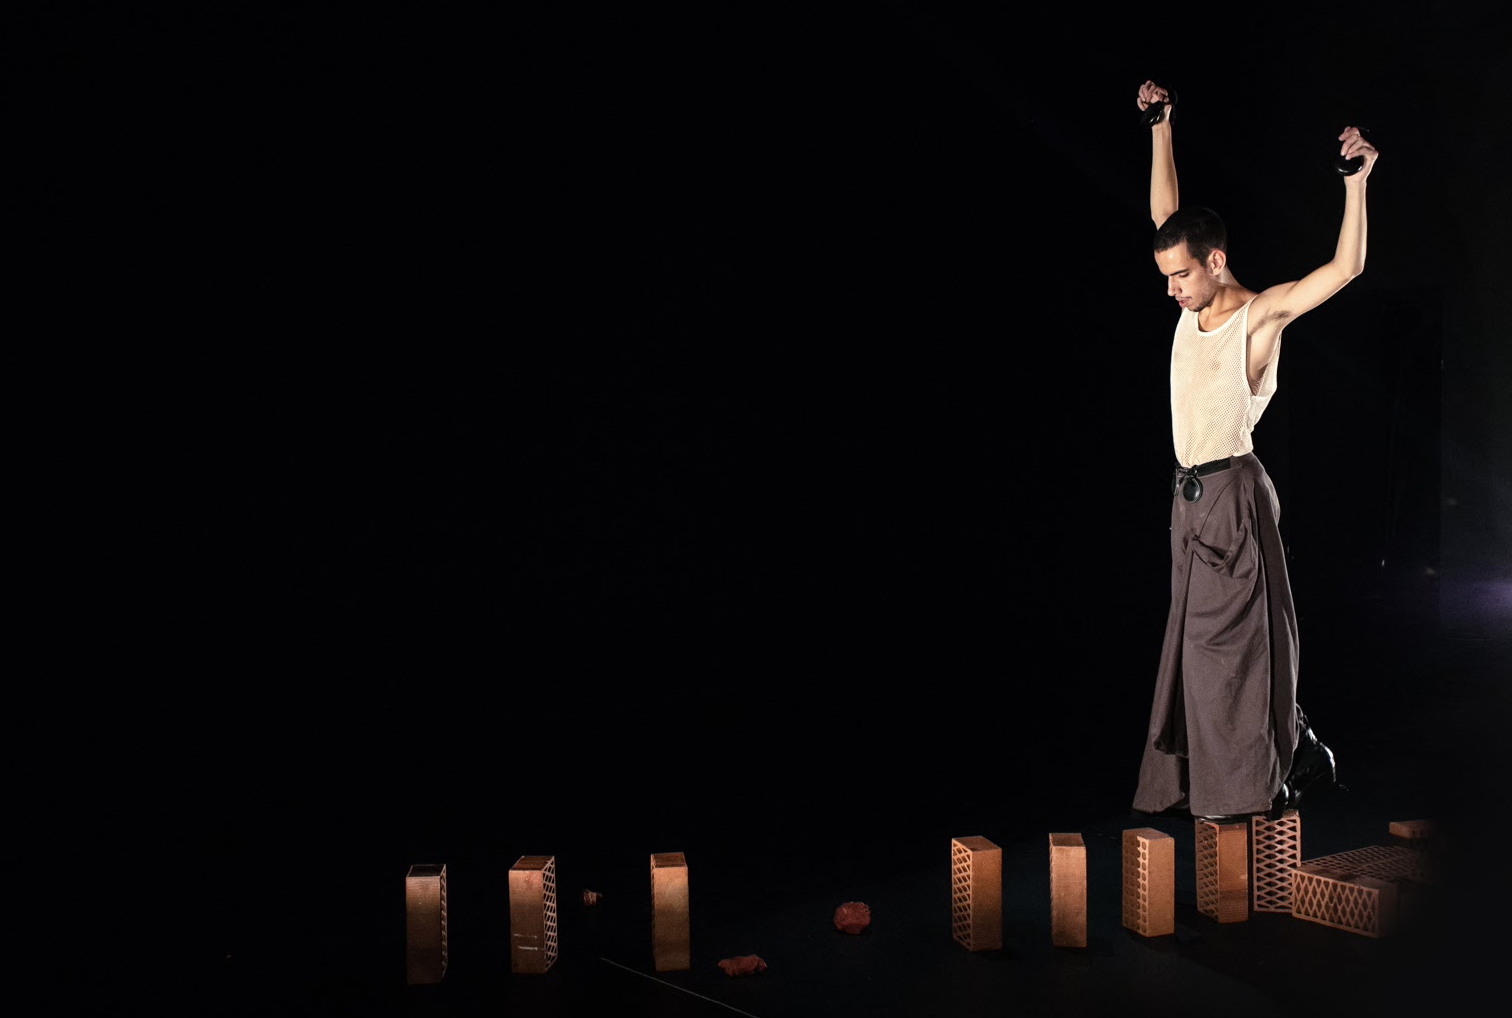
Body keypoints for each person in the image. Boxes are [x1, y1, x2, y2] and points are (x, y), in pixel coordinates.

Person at [1130, 80, 1376, 822]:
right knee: (1194, 655)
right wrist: (1161, 126)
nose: (1172, 291)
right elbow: (1164, 215)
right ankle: (1267, 763)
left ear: (1216, 260)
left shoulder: (1257, 317)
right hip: (1189, 500)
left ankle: (1273, 769)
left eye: (1181, 275)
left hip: (1233, 496)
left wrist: (1356, 184)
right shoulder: (1188, 287)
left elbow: (1344, 270)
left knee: (1233, 654)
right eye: (1166, 277)